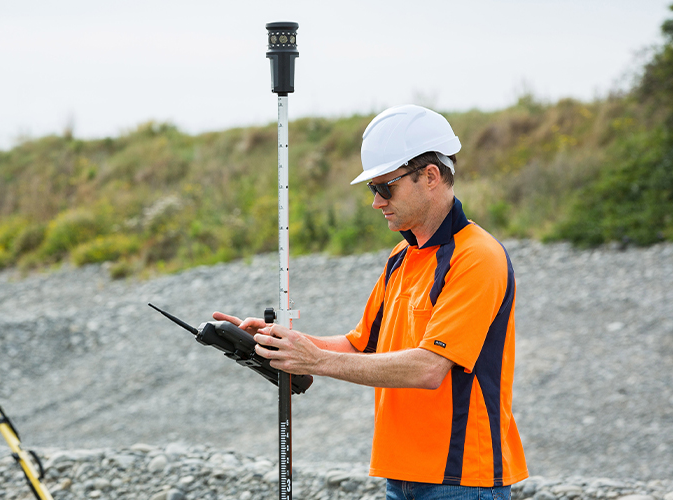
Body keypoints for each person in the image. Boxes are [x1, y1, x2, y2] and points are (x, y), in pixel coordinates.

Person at [214, 104, 528, 500]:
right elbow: (360, 346)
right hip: (401, 475)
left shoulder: (477, 257)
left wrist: (315, 361)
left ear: (431, 176)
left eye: (385, 187)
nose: (377, 202)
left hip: (462, 479)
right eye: (372, 189)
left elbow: (430, 368)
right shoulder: (401, 259)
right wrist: (284, 343)